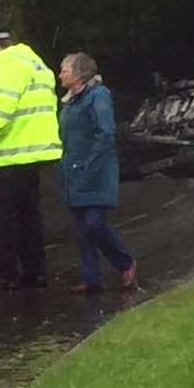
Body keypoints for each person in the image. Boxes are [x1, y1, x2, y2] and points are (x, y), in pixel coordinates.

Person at [0, 27, 62, 289]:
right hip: (36, 152)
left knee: (3, 216)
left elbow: (3, 111)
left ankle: (6, 274)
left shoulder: (6, 64)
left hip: (13, 154)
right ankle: (36, 272)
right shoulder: (35, 63)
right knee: (29, 215)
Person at [58, 52, 137, 294]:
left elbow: (105, 133)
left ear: (79, 73)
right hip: (73, 172)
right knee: (81, 230)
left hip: (96, 172)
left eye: (64, 70)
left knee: (94, 224)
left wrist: (89, 167)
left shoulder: (98, 96)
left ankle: (125, 263)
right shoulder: (69, 101)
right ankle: (92, 279)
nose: (60, 74)